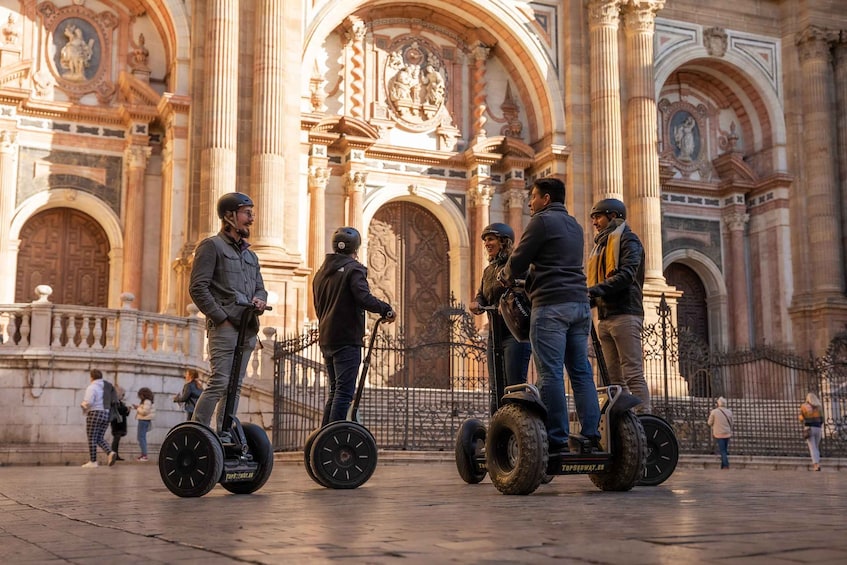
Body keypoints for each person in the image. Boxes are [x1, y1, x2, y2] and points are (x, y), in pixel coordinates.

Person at [501, 177, 601, 454]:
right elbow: (556, 261)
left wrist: (505, 276)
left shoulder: (541, 222)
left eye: (532, 197)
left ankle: (557, 439)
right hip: (579, 305)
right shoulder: (576, 225)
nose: (530, 203)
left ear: (545, 199)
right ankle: (591, 435)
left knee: (551, 373)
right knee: (581, 372)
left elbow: (519, 259)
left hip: (551, 306)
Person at [189, 192, 268, 436]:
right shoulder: (211, 246)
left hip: (248, 326)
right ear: (229, 216)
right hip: (225, 327)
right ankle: (197, 434)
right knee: (220, 382)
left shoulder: (250, 255)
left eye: (251, 213)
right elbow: (197, 287)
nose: (251, 219)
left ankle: (223, 433)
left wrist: (260, 300)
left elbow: (260, 288)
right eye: (247, 213)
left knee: (235, 386)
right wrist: (219, 317)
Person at [313, 226, 396, 425]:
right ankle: (332, 440)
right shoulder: (354, 268)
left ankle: (324, 438)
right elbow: (363, 297)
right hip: (347, 339)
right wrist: (386, 309)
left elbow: (318, 305)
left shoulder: (320, 273)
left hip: (327, 338)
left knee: (335, 391)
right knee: (344, 393)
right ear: (356, 248)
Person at [587, 198, 650, 414]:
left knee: (632, 373)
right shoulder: (601, 246)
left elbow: (627, 276)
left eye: (598, 216)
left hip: (626, 314)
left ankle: (643, 418)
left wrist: (592, 292)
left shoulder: (629, 240)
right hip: (605, 317)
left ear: (613, 216)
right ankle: (624, 422)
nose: (594, 222)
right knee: (612, 378)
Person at [469, 223, 532, 415]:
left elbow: (529, 287)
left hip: (515, 334)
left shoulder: (517, 265)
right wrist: (476, 302)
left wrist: (513, 291)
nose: (487, 243)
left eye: (491, 239)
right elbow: (482, 294)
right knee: (495, 389)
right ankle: (497, 431)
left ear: (504, 242)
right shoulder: (488, 271)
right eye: (485, 239)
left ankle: (521, 428)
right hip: (494, 335)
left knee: (514, 386)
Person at [80, 369, 118, 467]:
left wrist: (83, 405)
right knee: (99, 438)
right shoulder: (106, 387)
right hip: (106, 414)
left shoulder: (92, 387)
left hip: (94, 413)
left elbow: (89, 401)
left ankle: (93, 461)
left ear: (91, 377)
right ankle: (110, 452)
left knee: (92, 438)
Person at [799, 392, 823, 471]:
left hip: (809, 428)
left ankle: (816, 465)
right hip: (818, 428)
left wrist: (803, 418)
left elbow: (801, 418)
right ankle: (817, 462)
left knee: (812, 448)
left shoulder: (804, 406)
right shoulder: (819, 407)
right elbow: (822, 418)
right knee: (816, 447)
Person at [707, 396, 733, 469]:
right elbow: (732, 422)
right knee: (724, 449)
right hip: (727, 433)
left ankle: (725, 465)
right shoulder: (729, 412)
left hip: (718, 433)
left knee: (722, 450)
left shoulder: (714, 412)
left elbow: (709, 422)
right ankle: (723, 465)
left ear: (718, 404)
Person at [133, 387, 155, 461]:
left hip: (143, 420)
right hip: (144, 420)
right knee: (141, 438)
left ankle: (144, 455)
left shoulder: (147, 401)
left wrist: (137, 408)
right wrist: (139, 407)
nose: (139, 397)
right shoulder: (147, 401)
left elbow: (145, 412)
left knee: (141, 438)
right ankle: (143, 454)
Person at [109, 385, 130, 461]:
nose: (123, 396)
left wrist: (127, 410)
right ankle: (114, 455)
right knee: (116, 440)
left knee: (117, 440)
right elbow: (119, 410)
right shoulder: (115, 402)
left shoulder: (120, 402)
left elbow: (124, 413)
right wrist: (126, 409)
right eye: (122, 394)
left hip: (120, 424)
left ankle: (116, 455)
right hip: (117, 424)